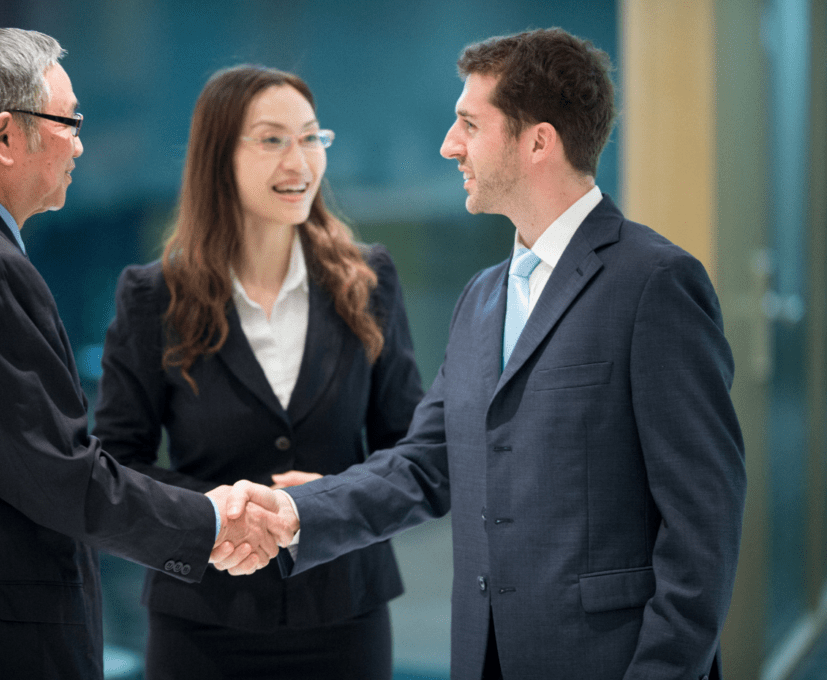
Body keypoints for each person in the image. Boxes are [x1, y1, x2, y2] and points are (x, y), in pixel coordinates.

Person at [223, 28, 747, 680]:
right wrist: (302, 512)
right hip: (484, 657)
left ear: (538, 142)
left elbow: (703, 531)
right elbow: (426, 464)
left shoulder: (656, 285)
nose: (450, 145)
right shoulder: (482, 298)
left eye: (469, 123)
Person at [0, 29, 280, 680]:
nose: (79, 142)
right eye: (69, 120)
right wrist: (210, 522)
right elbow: (58, 477)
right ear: (6, 135)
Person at [92, 64, 423, 680]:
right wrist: (218, 516)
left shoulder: (368, 282)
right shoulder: (153, 295)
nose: (299, 162)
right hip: (200, 625)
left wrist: (323, 505)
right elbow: (114, 467)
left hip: (344, 617)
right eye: (272, 140)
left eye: (311, 138)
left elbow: (414, 456)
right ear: (219, 156)